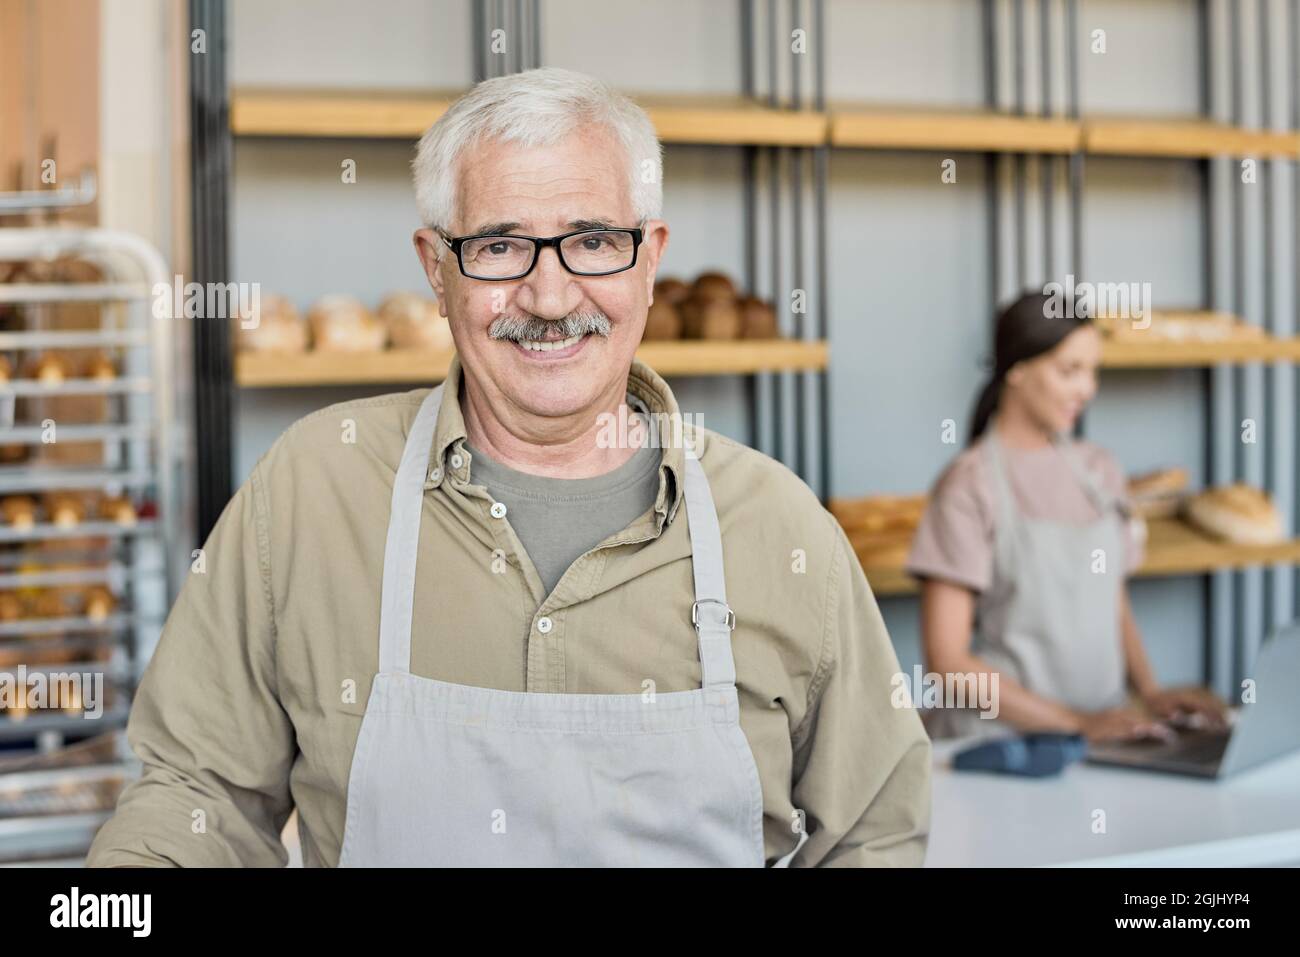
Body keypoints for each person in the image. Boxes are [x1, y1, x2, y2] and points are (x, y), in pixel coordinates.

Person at [87, 67, 930, 867]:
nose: (551, 297)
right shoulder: (312, 490)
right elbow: (198, 792)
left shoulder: (781, 528)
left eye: (594, 241)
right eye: (499, 246)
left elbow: (874, 831)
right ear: (436, 267)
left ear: (649, 257)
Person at [905, 292, 1228, 742]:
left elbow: (1110, 602)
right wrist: (1075, 724)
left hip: (1107, 735)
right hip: (1001, 744)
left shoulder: (1101, 471)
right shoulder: (968, 485)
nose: (1087, 389)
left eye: (1092, 371)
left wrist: (1150, 693)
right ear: (1017, 370)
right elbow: (948, 664)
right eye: (1069, 371)